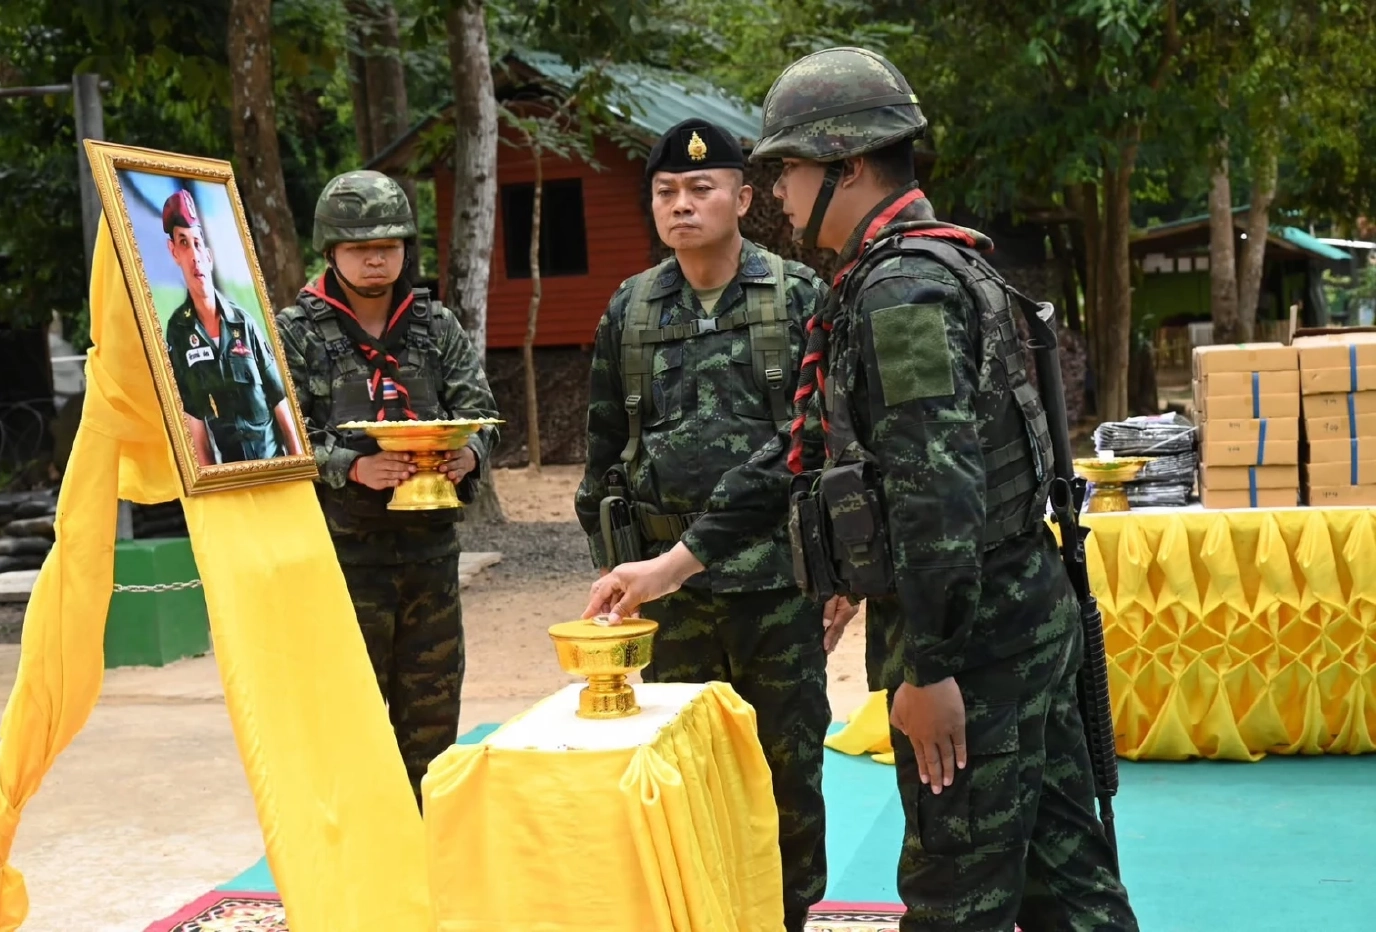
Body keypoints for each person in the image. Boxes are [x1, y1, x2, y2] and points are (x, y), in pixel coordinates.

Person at [584, 49, 1140, 932]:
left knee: (957, 894)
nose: (780, 196)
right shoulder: (914, 270)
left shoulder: (901, 291)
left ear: (845, 168)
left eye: (790, 172)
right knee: (1064, 880)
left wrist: (931, 665)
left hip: (976, 636)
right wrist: (675, 565)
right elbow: (801, 454)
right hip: (1012, 615)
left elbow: (936, 494)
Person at [574, 117, 854, 931]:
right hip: (668, 596)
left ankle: (787, 916)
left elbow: (830, 446)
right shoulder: (631, 309)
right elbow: (601, 456)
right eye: (666, 192)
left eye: (701, 188)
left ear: (741, 196)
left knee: (786, 771)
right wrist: (613, 566)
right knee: (679, 768)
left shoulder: (799, 296)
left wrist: (841, 574)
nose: (683, 205)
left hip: (779, 584)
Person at [275, 170, 500, 804]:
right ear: (330, 250)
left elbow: (480, 411)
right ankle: (359, 880)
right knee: (349, 729)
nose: (376, 258)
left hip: (429, 562)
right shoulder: (295, 333)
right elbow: (277, 438)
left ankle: (429, 873)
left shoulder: (436, 328)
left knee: (432, 732)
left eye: (389, 244)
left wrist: (469, 457)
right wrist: (348, 466)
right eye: (358, 247)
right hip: (344, 565)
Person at [161, 190, 303, 465]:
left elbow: (279, 400)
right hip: (233, 477)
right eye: (184, 243)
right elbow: (195, 422)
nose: (195, 256)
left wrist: (299, 467)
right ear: (174, 252)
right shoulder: (179, 331)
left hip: (276, 469)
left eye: (198, 243)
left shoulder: (245, 323)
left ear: (209, 255)